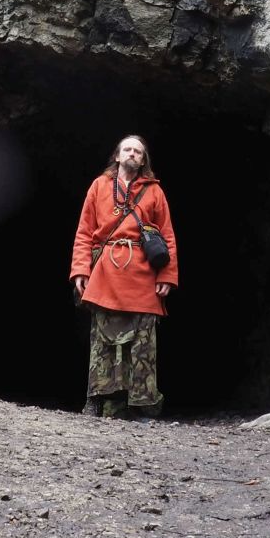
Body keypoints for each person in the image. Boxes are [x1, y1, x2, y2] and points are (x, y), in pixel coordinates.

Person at [69, 135, 179, 419]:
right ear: (117, 156)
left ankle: (141, 405)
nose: (132, 154)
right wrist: (81, 270)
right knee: (102, 339)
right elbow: (84, 232)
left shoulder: (155, 192)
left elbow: (167, 235)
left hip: (143, 272)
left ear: (143, 160)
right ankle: (97, 401)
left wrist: (167, 274)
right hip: (105, 269)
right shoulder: (99, 186)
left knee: (143, 341)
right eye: (127, 149)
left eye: (137, 151)